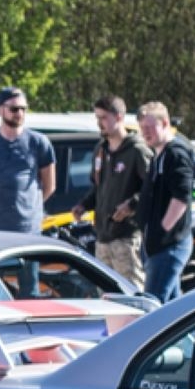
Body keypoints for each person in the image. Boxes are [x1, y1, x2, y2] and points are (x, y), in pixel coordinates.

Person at [79, 95, 152, 285]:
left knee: (131, 291)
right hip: (102, 236)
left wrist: (132, 204)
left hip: (126, 237)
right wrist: (83, 205)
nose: (99, 123)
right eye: (97, 118)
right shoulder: (100, 150)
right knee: (106, 294)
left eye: (103, 118)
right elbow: (98, 188)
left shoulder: (137, 150)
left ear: (119, 117)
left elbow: (153, 188)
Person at [0, 86, 56, 233]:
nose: (19, 113)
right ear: (0, 110)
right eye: (14, 109)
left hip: (28, 228)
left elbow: (50, 186)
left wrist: (28, 206)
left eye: (23, 109)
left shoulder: (39, 142)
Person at [133, 103, 195, 302]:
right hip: (157, 247)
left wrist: (162, 230)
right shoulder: (158, 155)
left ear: (165, 123)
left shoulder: (175, 154)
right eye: (143, 129)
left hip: (168, 247)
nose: (145, 133)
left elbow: (182, 195)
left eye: (150, 128)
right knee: (174, 311)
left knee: (152, 306)